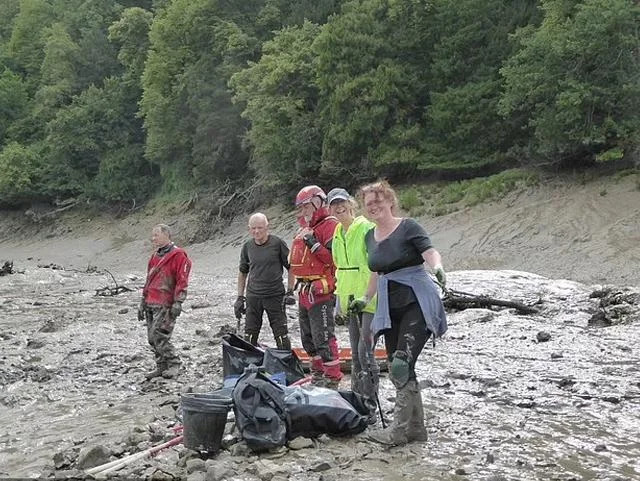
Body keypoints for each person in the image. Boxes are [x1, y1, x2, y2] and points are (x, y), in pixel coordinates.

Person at [353, 180, 447, 445]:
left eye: (378, 201)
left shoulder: (409, 227)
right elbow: (376, 270)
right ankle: (417, 430)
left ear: (390, 201)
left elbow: (430, 252)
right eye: (369, 203)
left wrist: (438, 268)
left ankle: (397, 431)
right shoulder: (369, 236)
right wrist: (364, 298)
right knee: (401, 369)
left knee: (400, 363)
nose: (374, 206)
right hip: (389, 306)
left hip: (416, 300)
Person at [327, 188, 379, 404]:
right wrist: (338, 302)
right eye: (334, 205)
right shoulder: (338, 234)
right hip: (349, 301)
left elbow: (377, 265)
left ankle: (371, 402)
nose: (339, 208)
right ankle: (358, 399)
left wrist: (367, 296)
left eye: (342, 203)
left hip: (370, 300)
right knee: (356, 355)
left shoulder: (366, 228)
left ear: (350, 204)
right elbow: (339, 269)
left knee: (365, 351)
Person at [289, 185, 343, 387]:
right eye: (301, 208)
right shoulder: (307, 228)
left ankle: (332, 378)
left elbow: (333, 259)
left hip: (321, 290)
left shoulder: (330, 226)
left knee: (324, 336)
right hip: (306, 289)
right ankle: (318, 373)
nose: (304, 212)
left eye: (306, 207)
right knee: (308, 337)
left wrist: (313, 244)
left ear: (317, 203)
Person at [138, 224, 192, 380]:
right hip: (151, 301)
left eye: (156, 235)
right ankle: (161, 365)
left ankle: (174, 363)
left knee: (160, 335)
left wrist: (178, 302)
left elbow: (182, 280)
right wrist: (142, 301)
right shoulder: (155, 255)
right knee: (151, 337)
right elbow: (148, 279)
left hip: (165, 302)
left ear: (167, 234)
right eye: (152, 235)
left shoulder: (179, 255)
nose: (153, 238)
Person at [234, 212, 293, 350]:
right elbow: (243, 272)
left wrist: (290, 291)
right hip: (253, 296)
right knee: (249, 335)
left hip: (275, 295)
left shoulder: (277, 243)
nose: (256, 231)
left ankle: (286, 364)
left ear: (267, 227)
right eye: (253, 228)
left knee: (281, 334)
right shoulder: (247, 247)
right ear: (249, 229)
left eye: (260, 228)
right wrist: (240, 297)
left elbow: (292, 267)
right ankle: (249, 365)